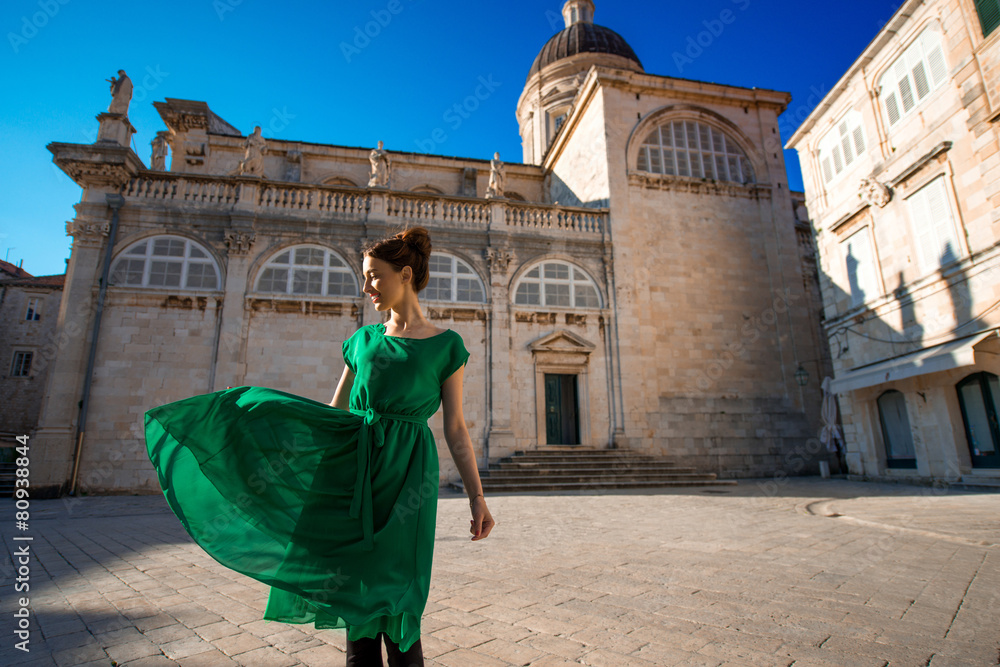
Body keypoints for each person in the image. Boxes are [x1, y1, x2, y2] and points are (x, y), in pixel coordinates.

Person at [144, 225, 494, 666]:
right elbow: (333, 413)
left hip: (409, 482)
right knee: (352, 592)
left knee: (401, 594)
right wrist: (255, 414)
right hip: (352, 474)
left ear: (405, 274)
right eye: (364, 277)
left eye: (374, 276)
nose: (365, 286)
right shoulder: (362, 342)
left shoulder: (447, 346)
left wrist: (477, 498)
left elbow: (457, 429)